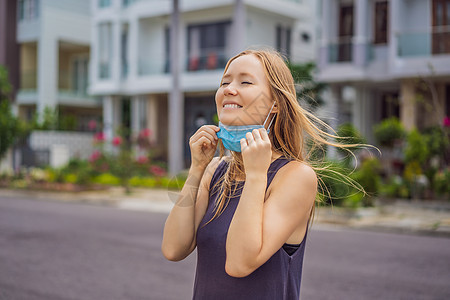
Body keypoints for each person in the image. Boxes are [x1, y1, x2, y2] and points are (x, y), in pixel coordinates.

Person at [162, 49, 355, 299]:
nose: (229, 89)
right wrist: (197, 168)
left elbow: (239, 263)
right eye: (225, 82)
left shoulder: (296, 176)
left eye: (245, 82)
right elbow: (173, 248)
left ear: (275, 104)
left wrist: (255, 176)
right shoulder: (214, 170)